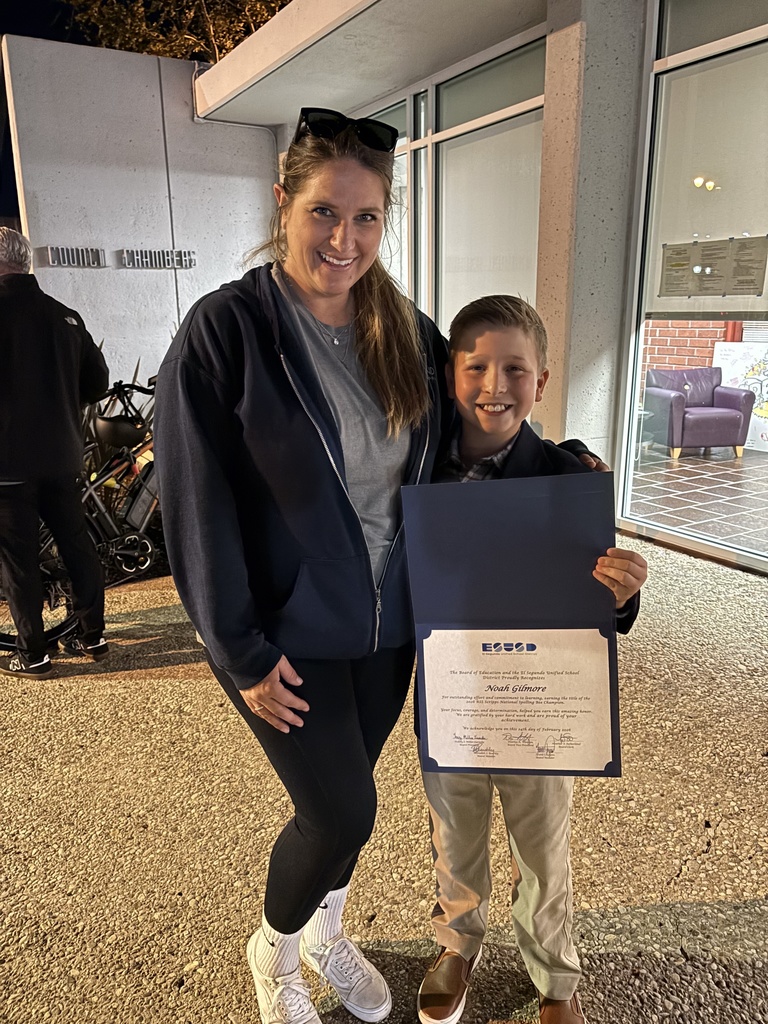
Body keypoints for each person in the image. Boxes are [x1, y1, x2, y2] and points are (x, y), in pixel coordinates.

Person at [154, 108, 609, 1024]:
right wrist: (238, 650)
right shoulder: (227, 332)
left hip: (393, 627)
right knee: (339, 812)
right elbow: (192, 501)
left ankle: (329, 927)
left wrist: (569, 477)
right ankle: (278, 947)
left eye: (367, 219)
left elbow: (475, 435)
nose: (344, 239)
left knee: (352, 799)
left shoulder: (404, 326)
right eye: (326, 212)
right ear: (283, 202)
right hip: (285, 632)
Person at [415, 295, 648, 1024]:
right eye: (476, 366)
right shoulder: (416, 469)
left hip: (542, 692)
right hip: (453, 689)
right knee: (454, 835)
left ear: (541, 381)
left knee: (544, 847)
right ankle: (458, 943)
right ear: (447, 375)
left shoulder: (566, 477)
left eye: (515, 368)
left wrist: (621, 593)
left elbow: (599, 602)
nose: (495, 385)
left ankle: (555, 974)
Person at [0, 227, 110, 680]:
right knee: (77, 544)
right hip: (64, 457)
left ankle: (34, 654)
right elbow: (97, 384)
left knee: (17, 559)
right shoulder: (65, 317)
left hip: (7, 465)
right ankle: (92, 636)